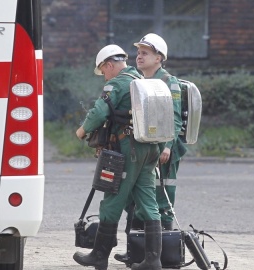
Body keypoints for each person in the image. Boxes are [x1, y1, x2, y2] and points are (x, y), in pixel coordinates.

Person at [73, 44, 162, 270]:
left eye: (103, 71)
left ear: (110, 65)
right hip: (150, 148)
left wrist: (82, 130)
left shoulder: (118, 83)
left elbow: (99, 112)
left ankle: (99, 256)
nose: (104, 76)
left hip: (128, 148)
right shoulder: (142, 79)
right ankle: (153, 260)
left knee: (112, 198)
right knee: (148, 201)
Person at [114, 33, 187, 263]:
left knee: (161, 201)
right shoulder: (138, 81)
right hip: (143, 150)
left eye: (145, 53)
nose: (139, 56)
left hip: (164, 152)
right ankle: (135, 251)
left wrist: (166, 147)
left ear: (159, 57)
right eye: (138, 52)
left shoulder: (168, 82)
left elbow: (174, 119)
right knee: (135, 199)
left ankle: (163, 255)